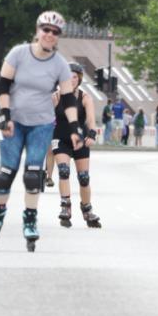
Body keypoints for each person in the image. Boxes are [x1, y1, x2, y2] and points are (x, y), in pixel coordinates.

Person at [0, 11, 81, 251]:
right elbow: (2, 85)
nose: (49, 35)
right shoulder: (18, 53)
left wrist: (74, 128)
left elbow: (68, 99)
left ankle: (30, 221)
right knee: (6, 174)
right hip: (14, 121)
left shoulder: (60, 65)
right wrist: (4, 116)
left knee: (34, 175)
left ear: (58, 36)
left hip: (41, 124)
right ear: (37, 31)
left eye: (55, 32)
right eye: (46, 30)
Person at [53, 62, 101, 229]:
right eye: (68, 77)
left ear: (79, 79)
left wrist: (92, 134)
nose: (71, 80)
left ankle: (87, 209)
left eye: (74, 77)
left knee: (84, 178)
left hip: (80, 141)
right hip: (60, 139)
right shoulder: (56, 97)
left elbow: (91, 120)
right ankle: (65, 207)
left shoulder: (85, 98)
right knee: (64, 171)